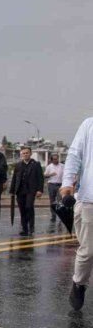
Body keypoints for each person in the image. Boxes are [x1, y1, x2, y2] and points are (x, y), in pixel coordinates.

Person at [61, 116, 93, 309]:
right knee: (89, 251)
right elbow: (74, 155)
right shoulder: (89, 124)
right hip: (89, 199)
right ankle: (79, 283)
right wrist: (66, 185)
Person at [10, 147, 44, 236]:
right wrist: (12, 190)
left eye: (27, 153)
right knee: (22, 210)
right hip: (20, 190)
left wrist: (40, 190)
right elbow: (14, 178)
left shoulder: (36, 164)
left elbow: (40, 178)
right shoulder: (18, 165)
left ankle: (31, 227)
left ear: (30, 153)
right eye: (23, 153)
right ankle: (24, 229)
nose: (25, 154)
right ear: (21, 154)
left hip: (31, 190)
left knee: (29, 207)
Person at [44, 154, 64, 222]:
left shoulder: (62, 166)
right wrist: (50, 174)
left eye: (57, 159)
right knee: (52, 201)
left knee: (60, 201)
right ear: (51, 160)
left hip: (60, 185)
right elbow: (45, 175)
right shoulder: (49, 166)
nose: (56, 160)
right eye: (54, 159)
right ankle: (53, 216)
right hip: (51, 185)